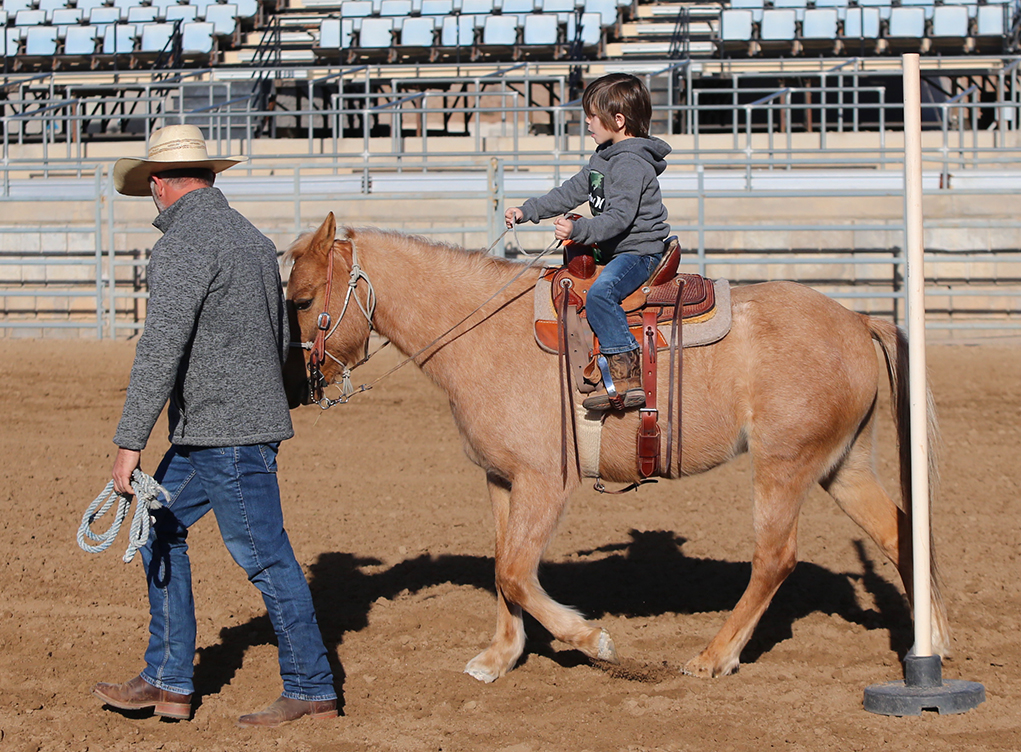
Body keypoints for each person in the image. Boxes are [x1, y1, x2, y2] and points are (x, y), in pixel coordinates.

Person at [90, 125, 337, 728]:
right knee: (155, 528)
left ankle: (310, 684)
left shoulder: (182, 247)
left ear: (157, 185)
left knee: (263, 555)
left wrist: (129, 443)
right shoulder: (253, 240)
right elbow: (283, 337)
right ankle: (168, 681)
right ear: (208, 175)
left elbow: (159, 350)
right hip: (224, 429)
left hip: (220, 433)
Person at [506, 73, 671, 411]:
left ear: (619, 120)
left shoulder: (630, 164)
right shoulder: (604, 158)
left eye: (594, 116)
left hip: (638, 251)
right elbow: (570, 191)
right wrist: (528, 210)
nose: (588, 123)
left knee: (601, 294)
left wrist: (578, 232)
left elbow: (619, 219)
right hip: (614, 247)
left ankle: (626, 374)